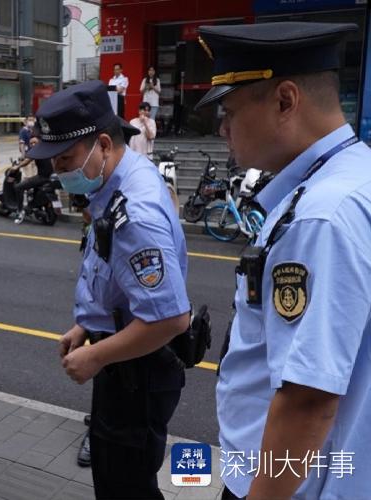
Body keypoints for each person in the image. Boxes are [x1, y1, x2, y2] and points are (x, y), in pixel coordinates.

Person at [195, 22, 371, 500]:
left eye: (229, 112)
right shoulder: (352, 176)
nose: (223, 130)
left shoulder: (321, 216)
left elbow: (307, 399)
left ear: (285, 101)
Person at [28, 80, 190, 499]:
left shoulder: (134, 213)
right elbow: (115, 278)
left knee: (124, 486)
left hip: (134, 371)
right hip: (122, 355)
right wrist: (85, 326)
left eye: (66, 159)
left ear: (103, 143)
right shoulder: (116, 183)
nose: (60, 172)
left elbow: (172, 317)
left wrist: (96, 356)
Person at [12, 135, 53, 224]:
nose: (33, 144)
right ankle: (32, 205)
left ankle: (19, 211)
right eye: (31, 143)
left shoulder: (36, 151)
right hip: (50, 177)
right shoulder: (47, 149)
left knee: (18, 187)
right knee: (30, 182)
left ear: (39, 142)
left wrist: (17, 167)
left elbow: (27, 161)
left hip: (42, 177)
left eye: (35, 142)